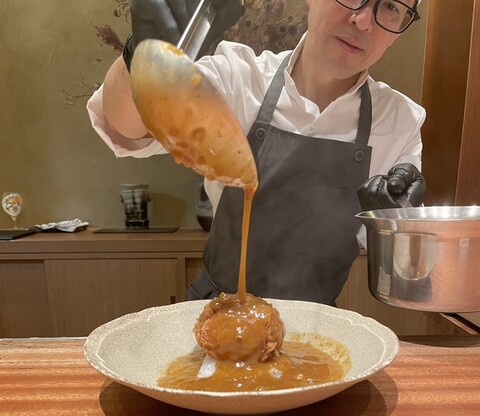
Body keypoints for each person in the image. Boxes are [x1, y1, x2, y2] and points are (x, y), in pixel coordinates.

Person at [87, 0, 427, 305]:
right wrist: (140, 56)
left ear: (400, 28)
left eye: (391, 7)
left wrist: (401, 225)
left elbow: (407, 274)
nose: (363, 20)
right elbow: (126, 126)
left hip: (317, 331)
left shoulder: (399, 122)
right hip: (215, 309)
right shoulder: (238, 77)